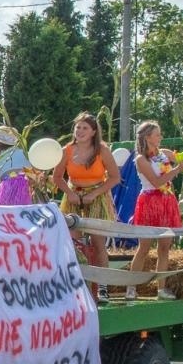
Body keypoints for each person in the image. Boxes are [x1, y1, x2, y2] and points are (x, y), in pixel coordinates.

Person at [125, 120, 183, 301]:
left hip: (167, 202)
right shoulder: (140, 160)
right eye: (157, 134)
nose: (161, 137)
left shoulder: (164, 153)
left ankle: (161, 289)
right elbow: (157, 182)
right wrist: (177, 169)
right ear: (147, 137)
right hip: (149, 202)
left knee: (164, 248)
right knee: (144, 248)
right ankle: (131, 288)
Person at [51, 112, 120, 299]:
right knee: (75, 243)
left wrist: (94, 194)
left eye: (85, 128)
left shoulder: (102, 150)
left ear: (93, 132)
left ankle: (103, 286)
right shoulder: (67, 150)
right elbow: (57, 177)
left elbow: (115, 177)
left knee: (98, 243)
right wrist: (70, 193)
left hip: (97, 195)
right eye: (78, 127)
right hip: (74, 196)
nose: (80, 131)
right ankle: (77, 284)